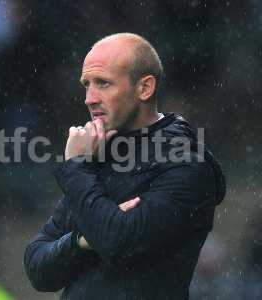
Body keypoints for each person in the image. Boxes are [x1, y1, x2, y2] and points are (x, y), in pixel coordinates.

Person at [24, 33, 226, 299]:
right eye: (87, 84)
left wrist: (75, 167)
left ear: (145, 88)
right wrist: (81, 240)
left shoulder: (187, 165)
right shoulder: (100, 154)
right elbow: (38, 268)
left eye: (103, 83)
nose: (89, 98)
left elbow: (117, 243)